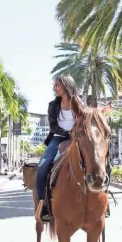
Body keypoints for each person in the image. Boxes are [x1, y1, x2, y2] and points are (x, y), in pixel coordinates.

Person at [36, 74, 82, 222]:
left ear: (66, 86)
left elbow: (85, 120)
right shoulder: (53, 105)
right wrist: (67, 132)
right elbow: (53, 126)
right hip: (58, 138)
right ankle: (43, 203)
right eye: (54, 85)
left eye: (57, 85)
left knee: (96, 161)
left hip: (78, 139)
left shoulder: (80, 103)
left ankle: (103, 201)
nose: (55, 88)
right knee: (42, 166)